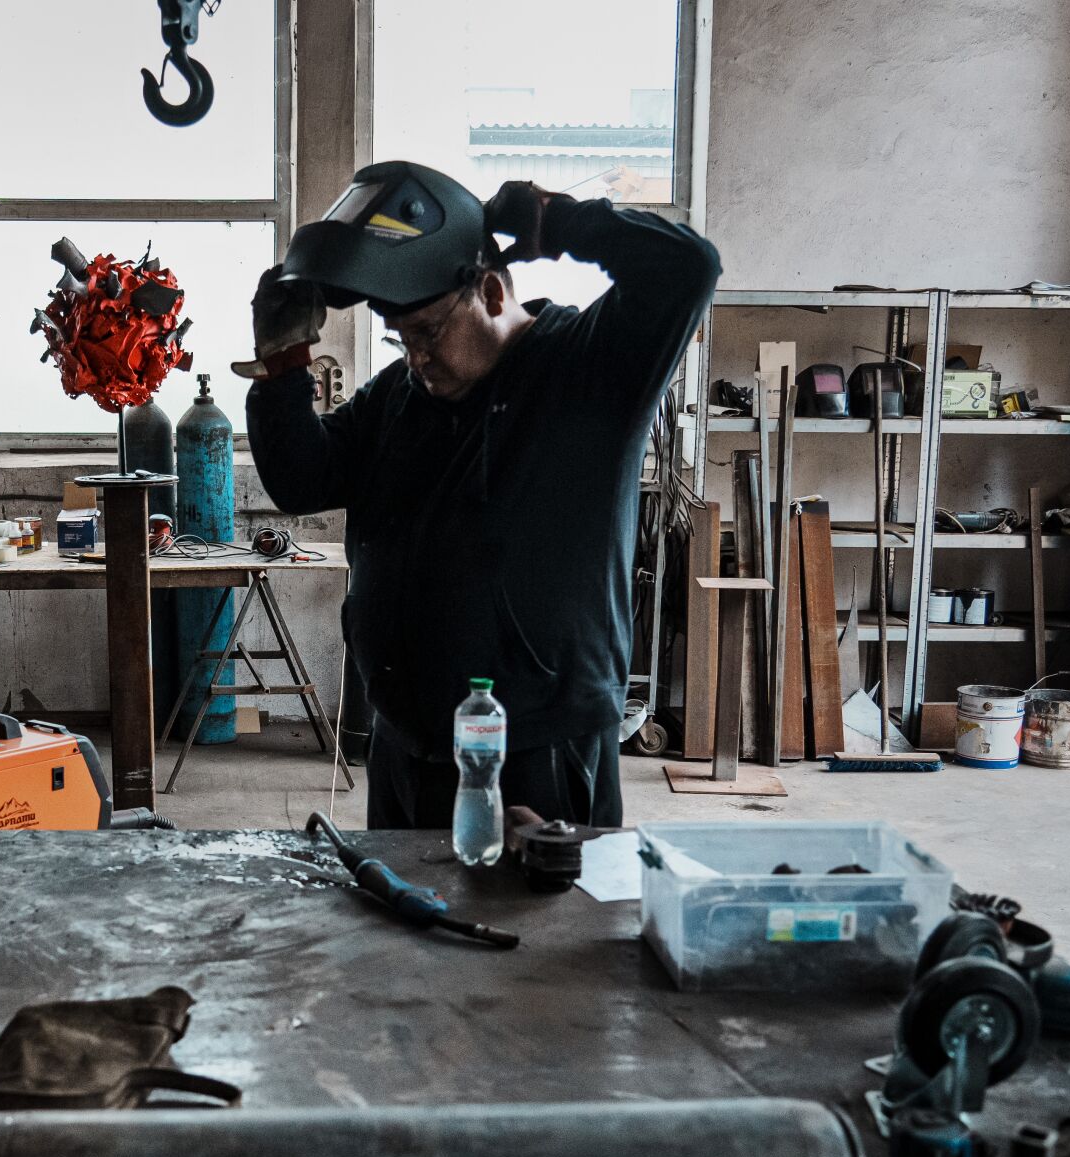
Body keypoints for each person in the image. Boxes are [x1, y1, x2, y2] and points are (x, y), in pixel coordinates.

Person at [235, 161, 720, 830]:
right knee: (402, 929)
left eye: (428, 333)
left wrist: (561, 222)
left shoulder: (590, 369)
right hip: (407, 741)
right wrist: (285, 365)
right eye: (401, 339)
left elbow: (687, 268)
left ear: (491, 292)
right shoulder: (400, 397)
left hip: (534, 749)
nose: (417, 358)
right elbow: (302, 480)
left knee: (543, 931)